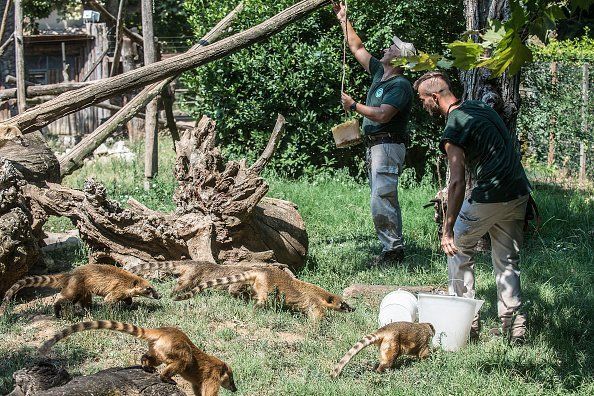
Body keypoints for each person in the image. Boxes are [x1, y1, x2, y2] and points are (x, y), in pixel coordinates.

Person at [413, 71, 532, 343]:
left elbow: (456, 182)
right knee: (507, 261)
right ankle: (515, 326)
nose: (422, 106)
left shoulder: (453, 126)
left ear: (434, 97)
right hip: (518, 192)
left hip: (490, 194)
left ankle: (465, 324)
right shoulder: (477, 107)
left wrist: (447, 229)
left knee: (456, 248)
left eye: (423, 100)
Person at [333, 2, 415, 266]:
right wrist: (344, 19)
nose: (386, 48)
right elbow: (357, 47)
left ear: (400, 59)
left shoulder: (400, 85)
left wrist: (354, 105)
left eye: (392, 48)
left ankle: (393, 253)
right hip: (377, 147)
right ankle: (391, 248)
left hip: (388, 146)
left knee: (383, 197)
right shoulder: (381, 72)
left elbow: (382, 115)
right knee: (381, 197)